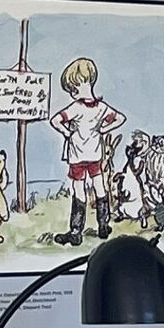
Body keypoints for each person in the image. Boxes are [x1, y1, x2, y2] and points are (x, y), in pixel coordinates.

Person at [48, 56, 125, 245]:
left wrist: (67, 133)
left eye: (73, 88)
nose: (72, 93)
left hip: (77, 156)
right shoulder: (101, 107)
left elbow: (55, 120)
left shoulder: (76, 107)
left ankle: (76, 232)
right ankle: (103, 225)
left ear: (85, 81)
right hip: (95, 154)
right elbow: (120, 118)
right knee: (100, 187)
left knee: (79, 190)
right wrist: (103, 129)